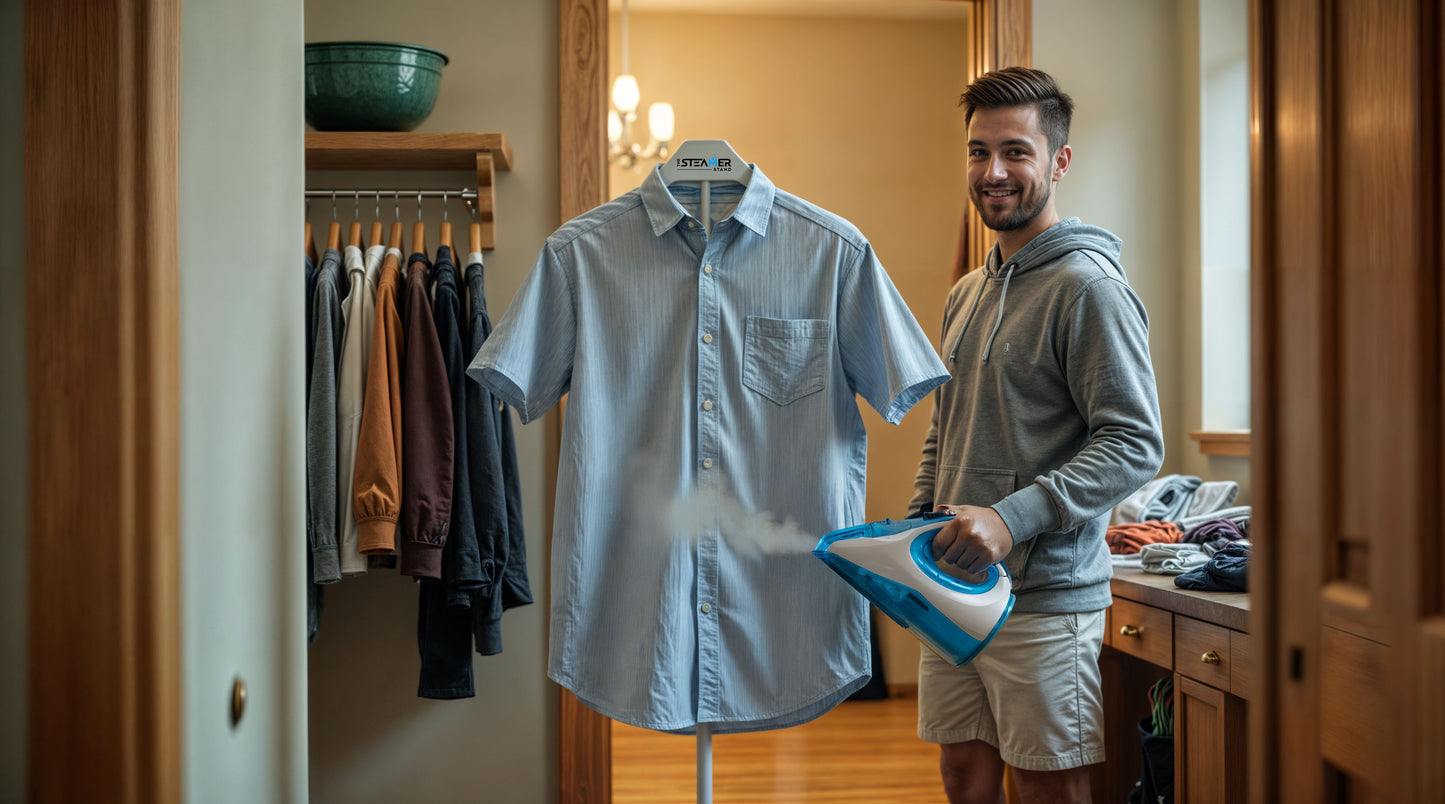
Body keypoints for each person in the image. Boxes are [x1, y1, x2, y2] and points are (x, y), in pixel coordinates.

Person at [909, 66, 1165, 804]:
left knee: (1048, 789)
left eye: (1015, 152)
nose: (992, 172)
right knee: (962, 776)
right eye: (977, 151)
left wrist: (1007, 518)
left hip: (1044, 599)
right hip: (951, 589)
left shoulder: (1088, 287)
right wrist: (918, 525)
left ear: (1058, 161)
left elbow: (1132, 440)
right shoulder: (965, 292)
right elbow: (945, 424)